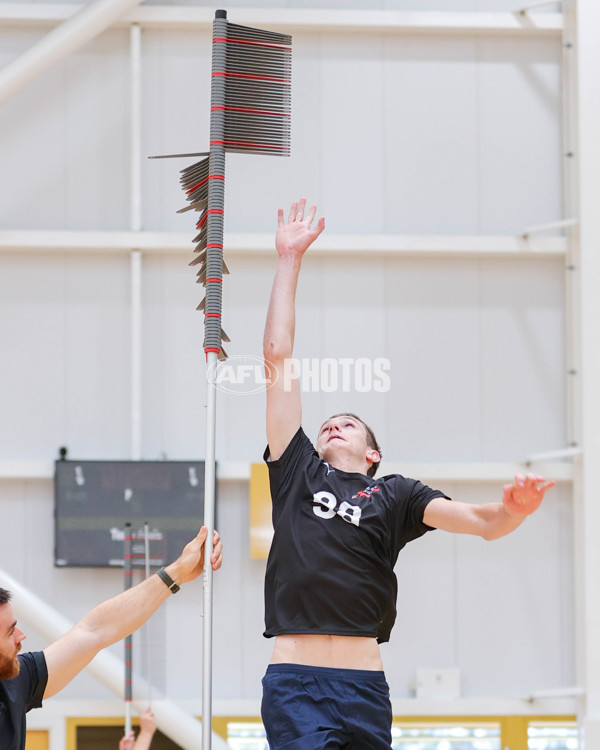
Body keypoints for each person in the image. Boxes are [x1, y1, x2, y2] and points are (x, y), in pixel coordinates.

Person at [260, 198, 555, 750]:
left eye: (349, 423)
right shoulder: (296, 472)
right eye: (328, 423)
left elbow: (482, 523)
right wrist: (288, 260)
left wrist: (514, 509)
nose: (334, 426)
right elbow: (277, 356)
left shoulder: (395, 495)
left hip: (364, 685)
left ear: (373, 453)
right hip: (295, 683)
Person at [0, 526, 222, 750]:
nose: (21, 636)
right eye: (10, 632)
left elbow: (94, 631)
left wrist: (178, 572)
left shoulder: (15, 682)